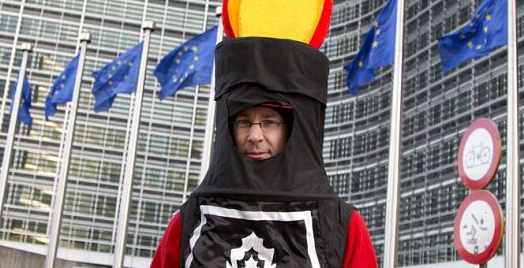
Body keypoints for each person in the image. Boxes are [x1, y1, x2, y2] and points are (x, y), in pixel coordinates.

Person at [151, 37, 377, 267]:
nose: (255, 136)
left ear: (292, 129)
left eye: (269, 123)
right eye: (244, 122)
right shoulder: (189, 219)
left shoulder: (343, 226)